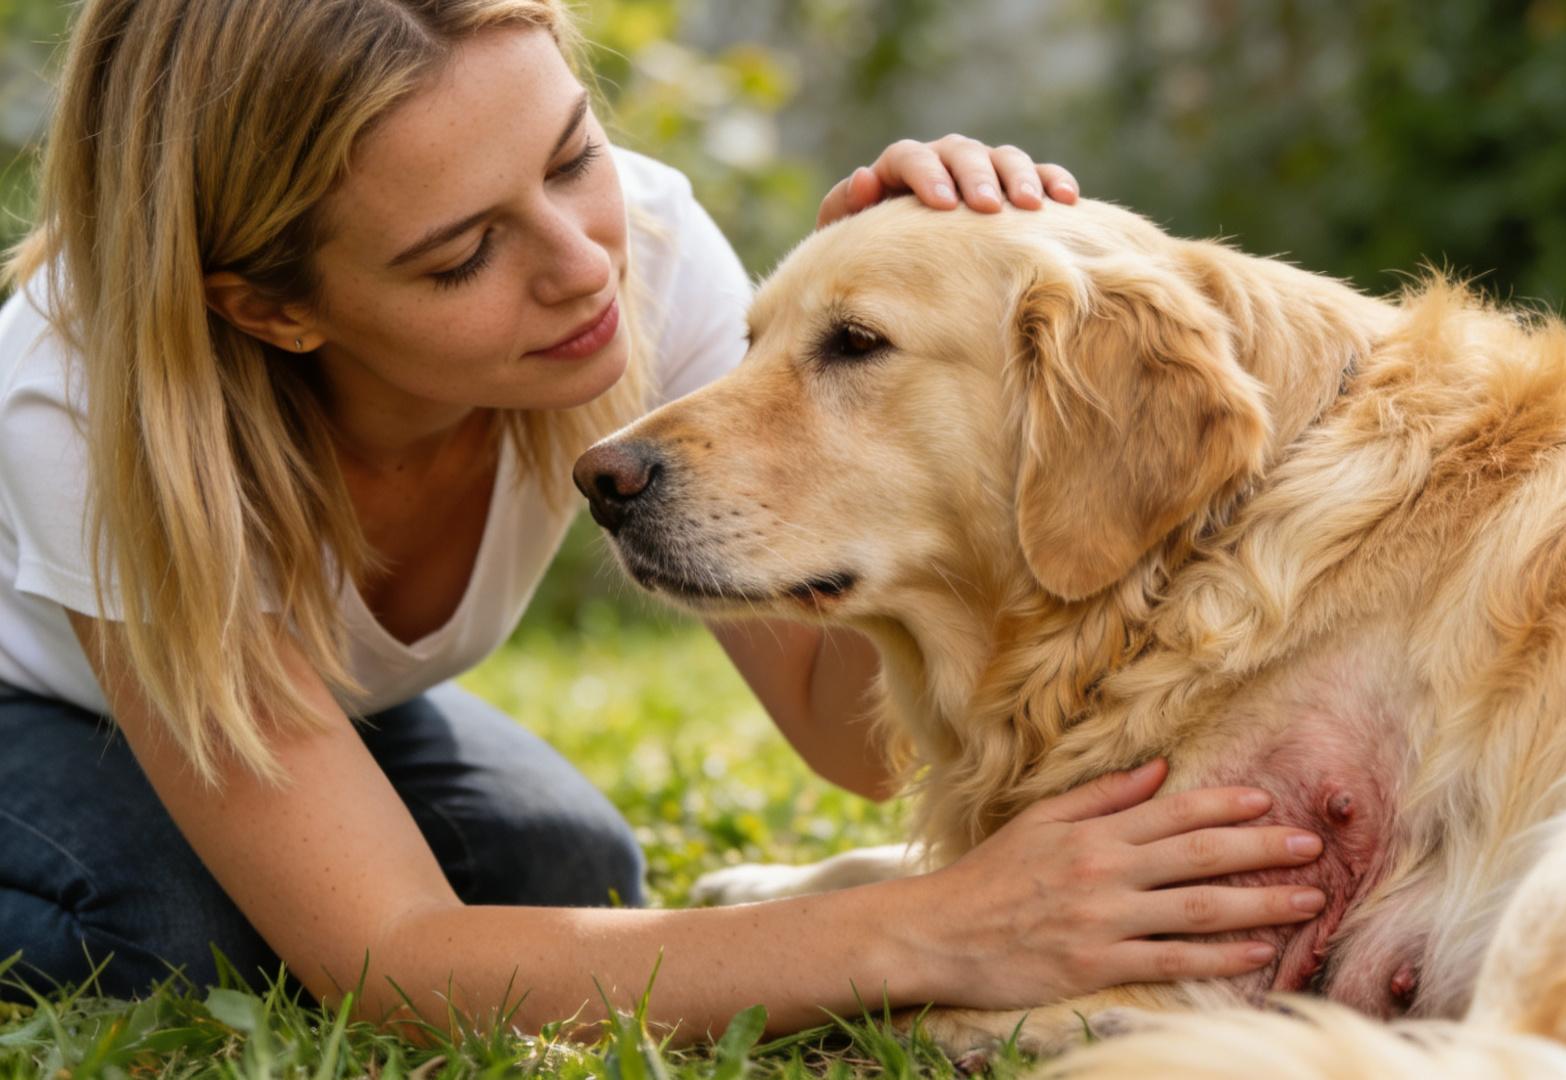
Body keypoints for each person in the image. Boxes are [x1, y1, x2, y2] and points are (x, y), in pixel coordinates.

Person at [0, 0, 1330, 1038]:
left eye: (574, 157)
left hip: (329, 701)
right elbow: (397, 964)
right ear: (272, 309)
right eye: (463, 256)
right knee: (170, 932)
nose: (585, 264)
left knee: (557, 865)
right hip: (32, 703)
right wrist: (939, 930)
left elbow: (847, 739)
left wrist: (924, 347)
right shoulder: (85, 412)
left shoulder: (645, 250)